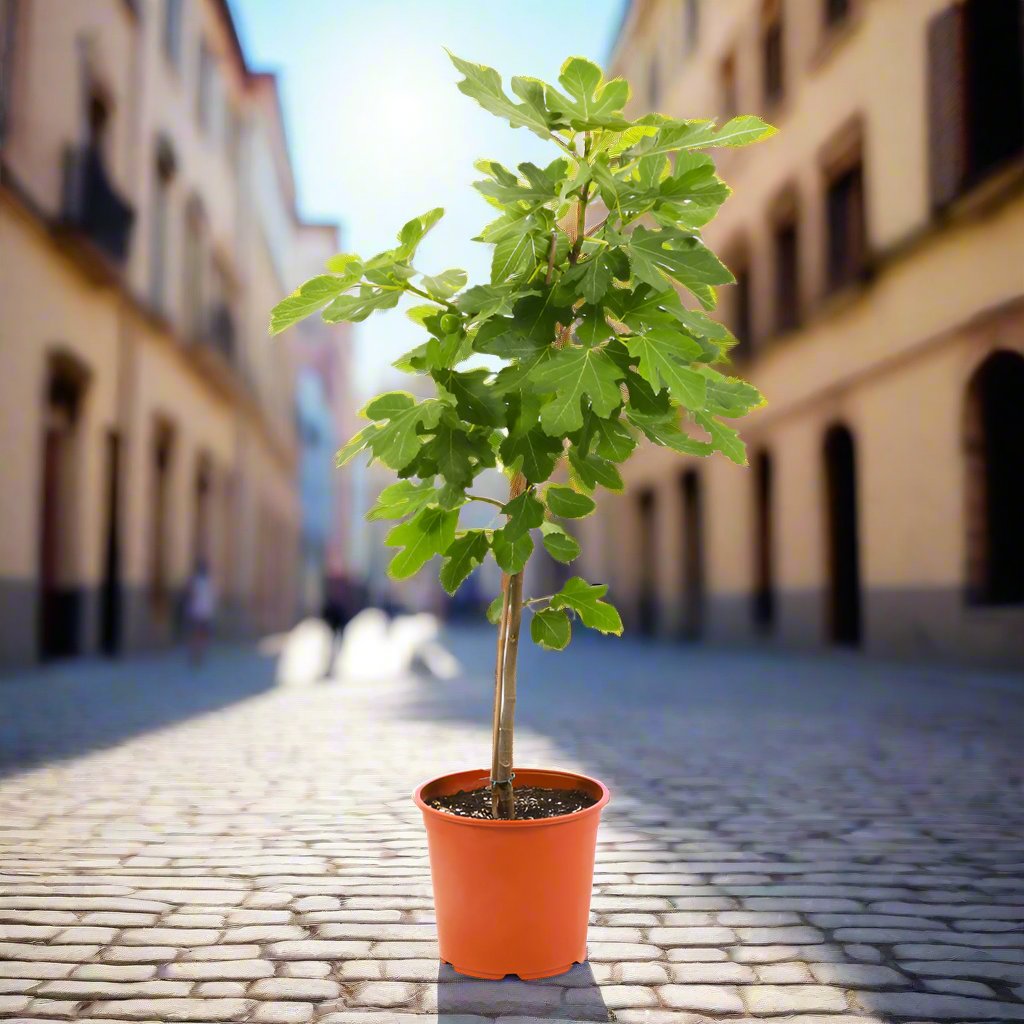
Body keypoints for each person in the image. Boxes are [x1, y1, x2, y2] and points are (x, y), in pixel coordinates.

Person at [185, 560, 216, 667]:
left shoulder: (196, 582)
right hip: (204, 612)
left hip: (196, 612)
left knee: (196, 634)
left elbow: (191, 595)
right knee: (202, 634)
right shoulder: (208, 582)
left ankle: (196, 652)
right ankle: (198, 652)